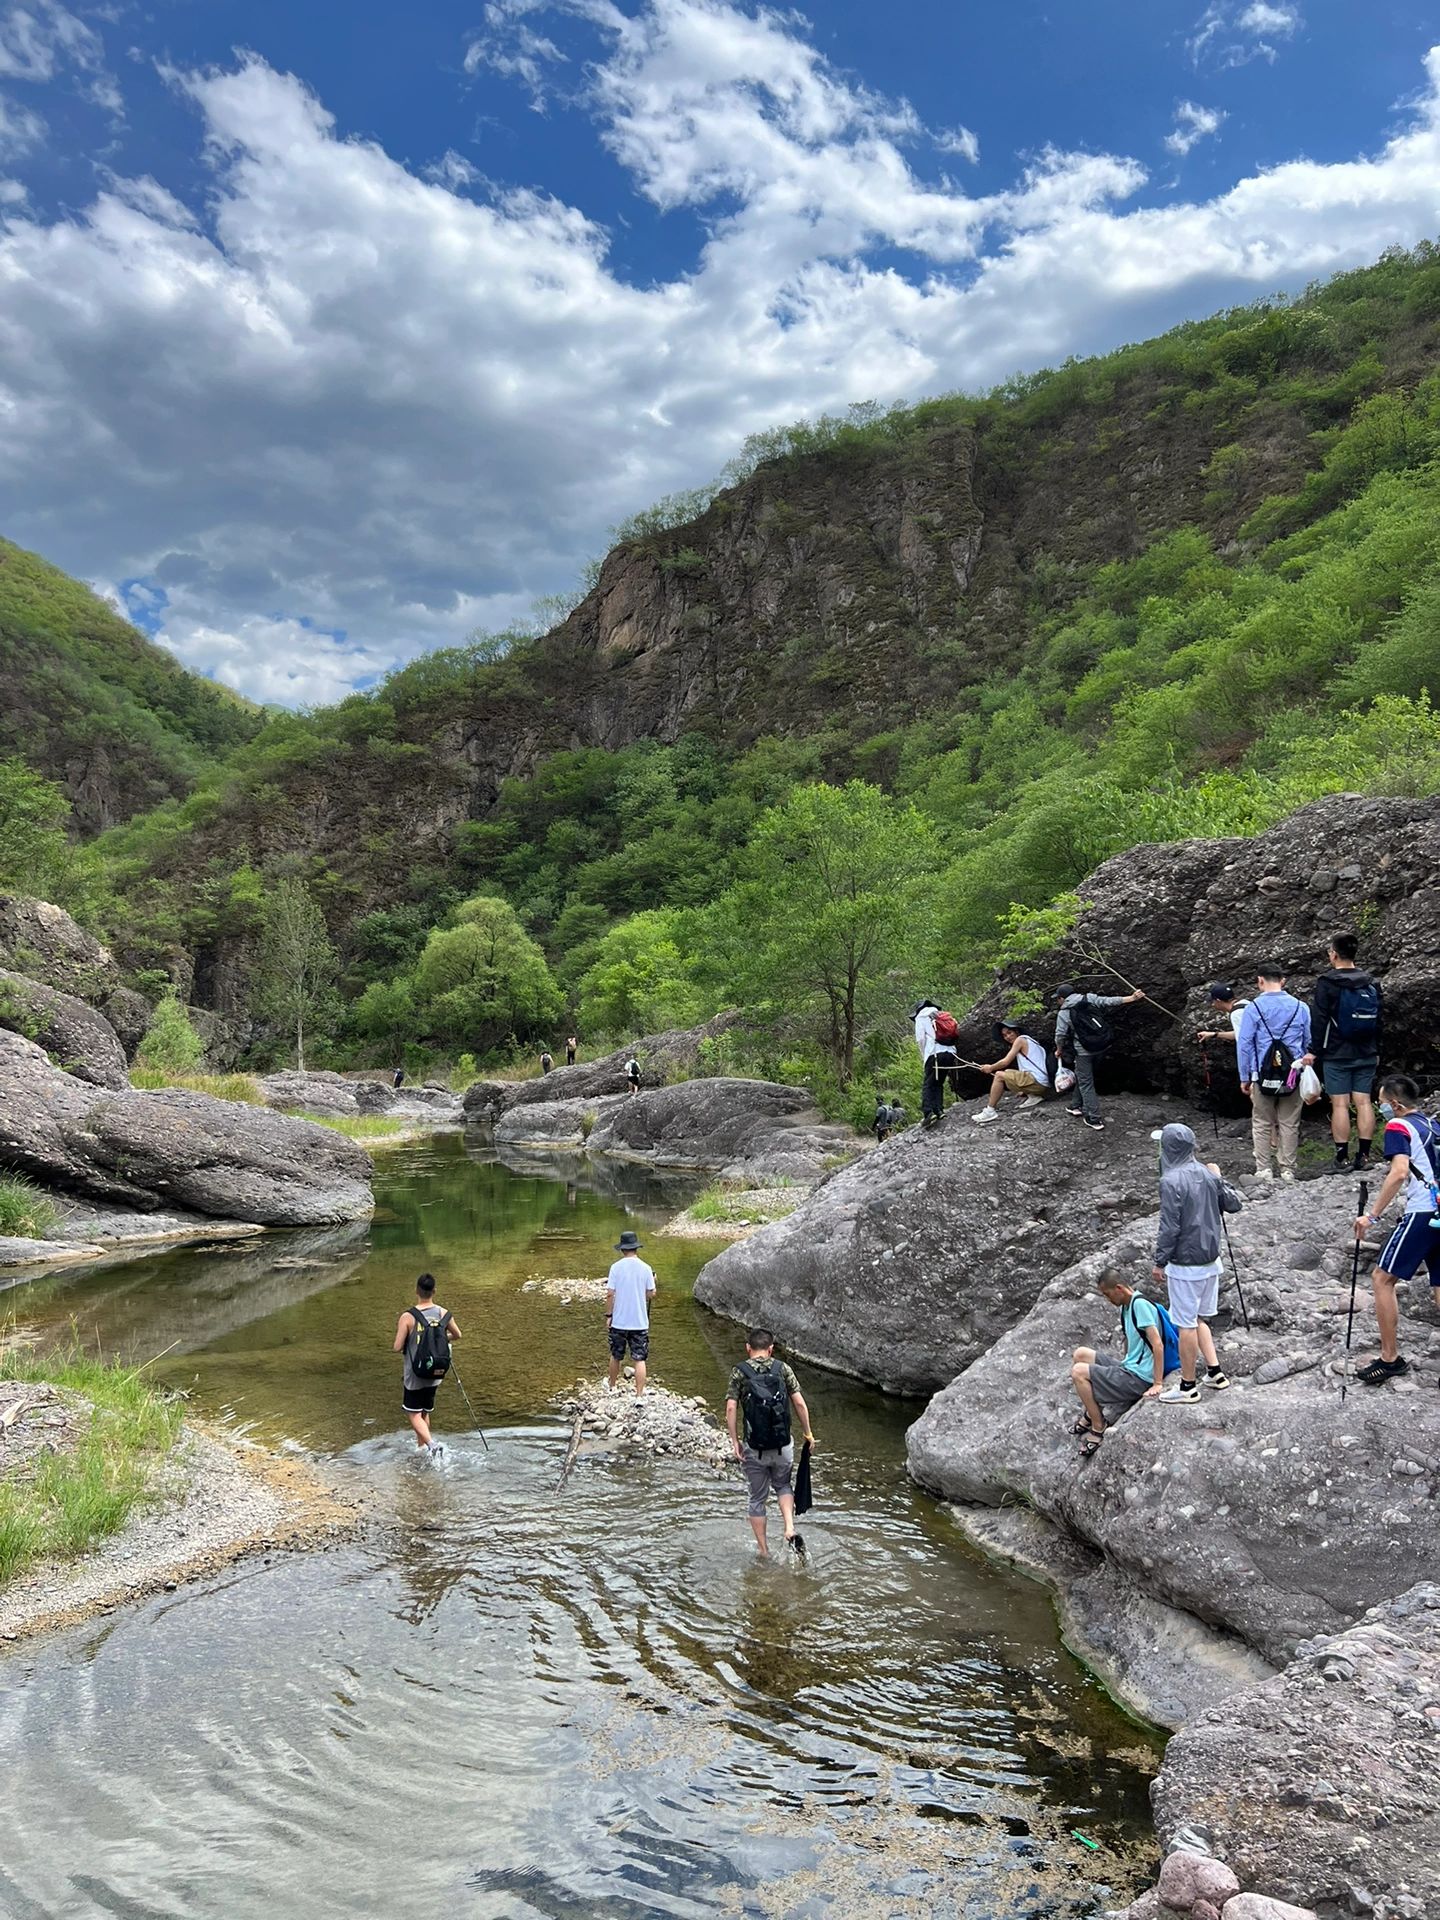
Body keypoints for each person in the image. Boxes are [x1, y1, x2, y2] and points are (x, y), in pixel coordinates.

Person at [1351, 1073, 1440, 1386]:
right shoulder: (1433, 1124)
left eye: (1381, 1104)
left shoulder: (1398, 1126)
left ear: (1395, 1103)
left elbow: (1399, 1172)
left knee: (1382, 1278)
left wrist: (1372, 1216)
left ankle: (1390, 1358)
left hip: (1424, 1212)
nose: (1380, 1109)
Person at [1152, 1122, 1241, 1403]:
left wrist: (1159, 1261)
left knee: (1185, 1324)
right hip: (1211, 1262)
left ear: (1167, 1148)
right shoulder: (1207, 1173)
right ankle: (1215, 1372)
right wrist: (1219, 1178)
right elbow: (1234, 1204)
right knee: (1198, 1317)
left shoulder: (1170, 1181)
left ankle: (1188, 1386)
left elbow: (1170, 1228)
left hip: (1185, 1264)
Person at [725, 1328, 816, 1559]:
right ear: (771, 1348)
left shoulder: (740, 1372)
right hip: (782, 1444)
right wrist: (808, 1434)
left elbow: (731, 1408)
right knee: (783, 1485)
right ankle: (789, 1528)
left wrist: (735, 1441)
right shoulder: (782, 1369)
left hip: (754, 1448)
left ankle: (764, 1551)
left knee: (757, 1498)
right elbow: (800, 1404)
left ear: (748, 1348)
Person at [1070, 1267, 1170, 1459]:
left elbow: (1158, 1344)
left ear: (1119, 1288)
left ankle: (1098, 1427)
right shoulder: (1127, 1306)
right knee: (1080, 1354)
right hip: (1129, 1368)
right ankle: (1092, 1414)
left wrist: (1157, 1383)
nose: (1108, 1300)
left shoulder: (1140, 1305)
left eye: (1108, 1295)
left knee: (1078, 1372)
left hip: (1139, 1378)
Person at [1312, 931, 1384, 1176]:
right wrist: (1376, 1049)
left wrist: (1316, 1051)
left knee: (1340, 1104)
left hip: (1336, 1052)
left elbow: (1320, 1020)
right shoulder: (1371, 982)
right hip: (1366, 1050)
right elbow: (1380, 1020)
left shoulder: (1328, 982)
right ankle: (1363, 1156)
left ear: (1333, 954)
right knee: (1363, 1101)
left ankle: (1342, 1158)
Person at [1235, 964, 1311, 1182]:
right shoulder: (1300, 1007)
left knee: (1261, 1121)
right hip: (1292, 1074)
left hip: (1262, 1073)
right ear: (1283, 981)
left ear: (1260, 980)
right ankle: (1288, 1169)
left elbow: (1245, 1043)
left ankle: (1264, 1169)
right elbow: (1307, 1041)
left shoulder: (1253, 1008)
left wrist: (1245, 1075)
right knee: (1289, 1122)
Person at [1054, 983, 1146, 1132]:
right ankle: (1075, 1105)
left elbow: (1060, 1035)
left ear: (1062, 998)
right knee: (1083, 1077)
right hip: (1102, 1046)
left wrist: (1059, 1050)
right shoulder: (1088, 998)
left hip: (1084, 1051)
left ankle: (1093, 1118)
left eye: (1057, 999)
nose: (1057, 1002)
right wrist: (1132, 998)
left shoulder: (1064, 1013)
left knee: (1086, 1082)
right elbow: (1109, 1001)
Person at [393, 1272, 461, 1454]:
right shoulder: (444, 1313)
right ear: (434, 1291)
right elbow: (457, 1335)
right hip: (436, 1372)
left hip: (415, 1373)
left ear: (416, 1290)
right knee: (424, 1412)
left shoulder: (408, 1317)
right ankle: (421, 1448)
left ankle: (431, 1444)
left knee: (412, 1413)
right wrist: (439, 1339)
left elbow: (397, 1346)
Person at [971, 1019, 1051, 1124]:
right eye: (1004, 1035)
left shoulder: (1020, 1040)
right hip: (1043, 1083)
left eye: (1009, 1033)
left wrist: (990, 1068)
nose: (1007, 1037)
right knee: (1010, 1072)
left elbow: (1005, 1062)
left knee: (999, 1075)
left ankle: (990, 1111)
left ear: (1016, 1031)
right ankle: (1033, 1096)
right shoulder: (1032, 1041)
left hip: (1038, 1082)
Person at [606, 1229, 655, 1394]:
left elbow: (610, 1294)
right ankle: (639, 1395)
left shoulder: (615, 1267)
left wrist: (609, 1315)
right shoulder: (646, 1268)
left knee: (616, 1355)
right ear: (636, 1248)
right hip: (639, 1321)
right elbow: (651, 1294)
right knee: (639, 1359)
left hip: (619, 1320)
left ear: (622, 1249)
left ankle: (612, 1387)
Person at [913, 998, 959, 1130]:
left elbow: (921, 1039)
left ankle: (928, 1113)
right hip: (950, 1052)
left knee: (928, 1083)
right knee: (938, 1082)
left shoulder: (921, 1017)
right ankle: (939, 1110)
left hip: (934, 1053)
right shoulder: (942, 1015)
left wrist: (924, 1056)